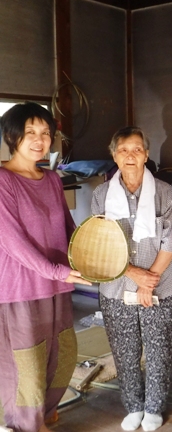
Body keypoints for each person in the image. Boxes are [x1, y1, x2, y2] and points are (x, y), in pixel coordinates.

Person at [0, 103, 90, 432]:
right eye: (30, 133)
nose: (40, 140)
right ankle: (25, 425)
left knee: (62, 355)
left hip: (58, 285)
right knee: (27, 366)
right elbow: (13, 242)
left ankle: (47, 411)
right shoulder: (2, 180)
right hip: (21, 288)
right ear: (12, 137)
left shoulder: (52, 179)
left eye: (46, 133)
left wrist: (89, 253)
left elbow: (68, 229)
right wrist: (59, 272)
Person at [91, 126, 172, 432]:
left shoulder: (164, 191)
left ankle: (154, 407)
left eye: (137, 149)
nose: (130, 156)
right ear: (114, 155)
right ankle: (133, 406)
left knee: (159, 350)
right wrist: (134, 276)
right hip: (117, 287)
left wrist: (149, 279)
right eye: (123, 150)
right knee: (125, 351)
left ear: (146, 154)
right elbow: (97, 243)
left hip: (163, 285)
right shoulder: (101, 195)